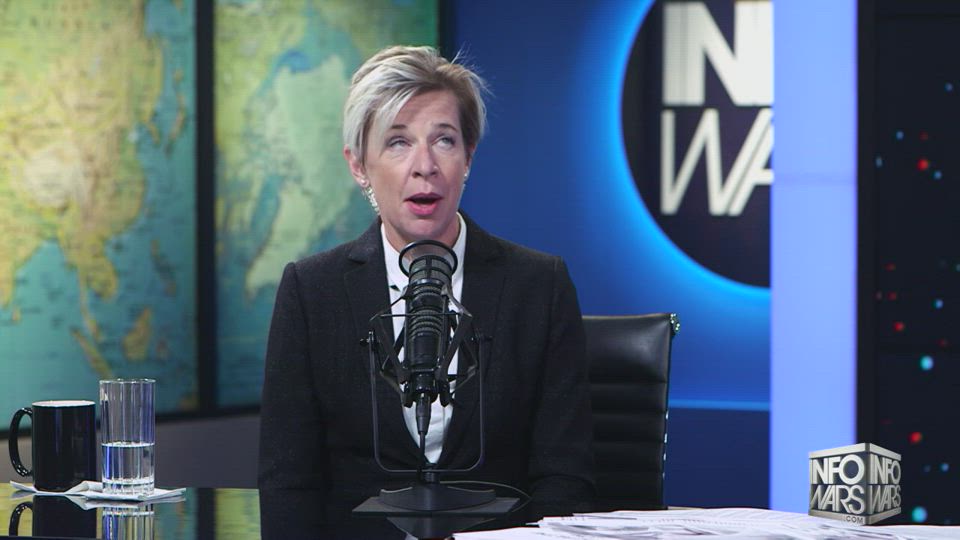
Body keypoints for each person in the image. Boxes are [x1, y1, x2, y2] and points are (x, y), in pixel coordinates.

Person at [258, 45, 594, 510]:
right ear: (358, 165)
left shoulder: (539, 286)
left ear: (468, 157)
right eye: (398, 142)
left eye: (444, 140)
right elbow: (287, 483)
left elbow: (566, 477)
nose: (425, 166)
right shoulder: (312, 291)